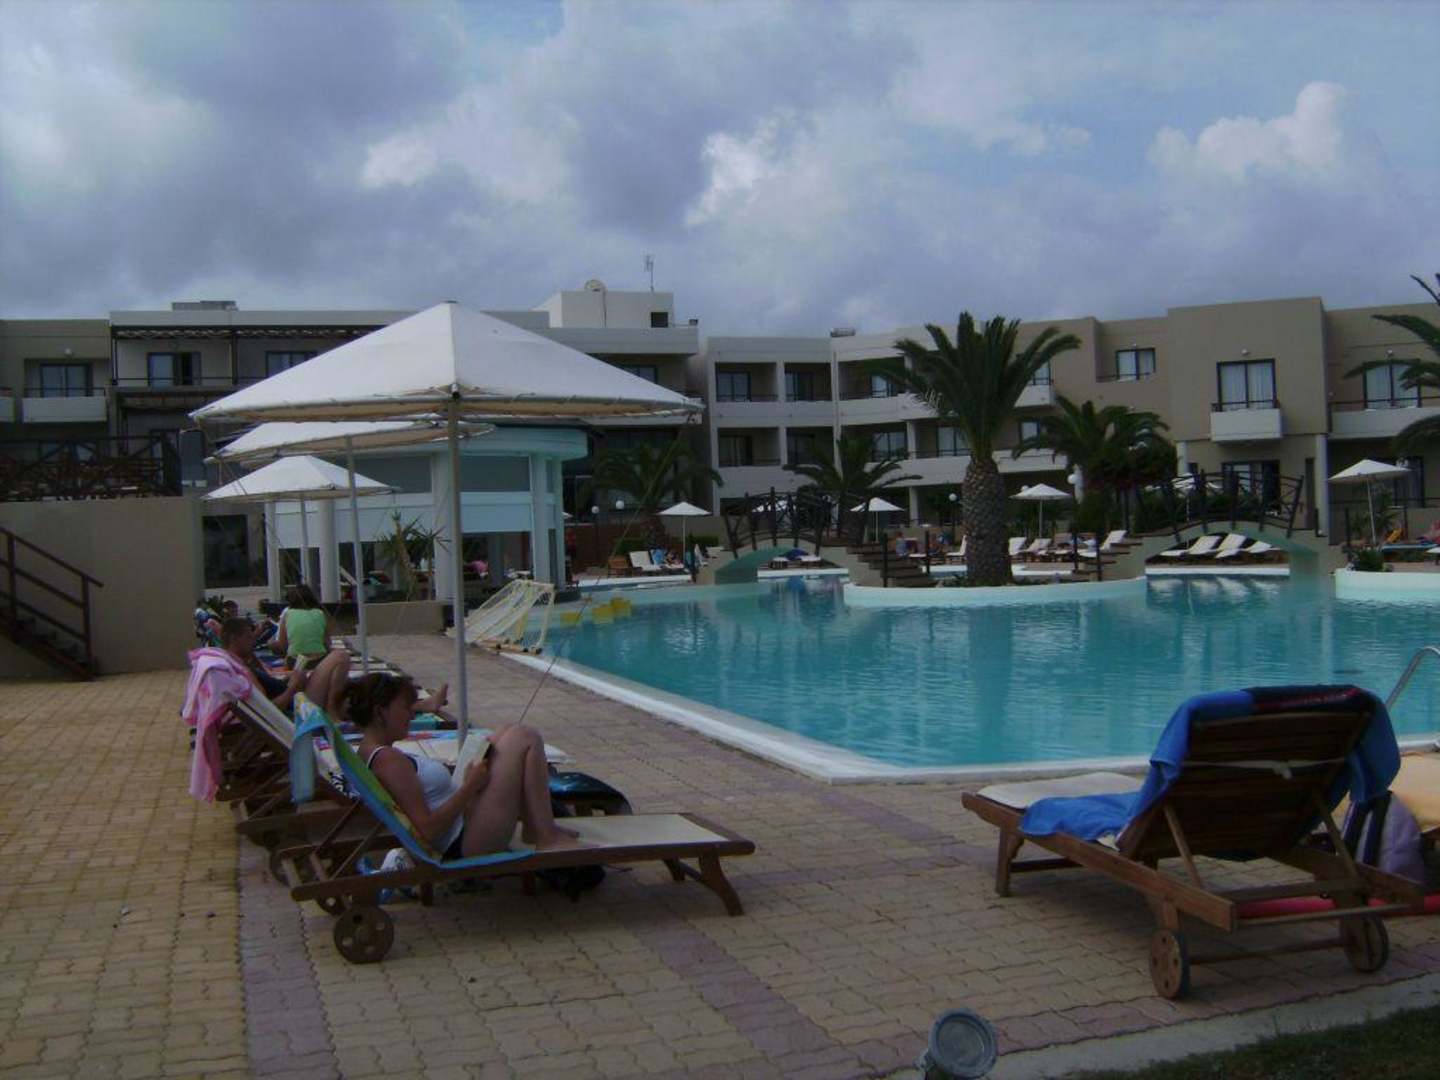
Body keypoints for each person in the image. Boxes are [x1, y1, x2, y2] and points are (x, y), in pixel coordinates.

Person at [347, 673, 582, 858]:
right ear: (380, 712)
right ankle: (546, 837)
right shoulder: (388, 761)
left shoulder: (368, 751)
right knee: (524, 737)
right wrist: (470, 787)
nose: (411, 715)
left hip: (463, 822)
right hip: (464, 840)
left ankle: (536, 827)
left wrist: (466, 782)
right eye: (405, 708)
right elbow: (427, 830)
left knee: (504, 732)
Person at [275, 584, 332, 666]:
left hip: (295, 661)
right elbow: (327, 642)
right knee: (340, 655)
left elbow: (282, 643)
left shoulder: (287, 614)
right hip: (319, 660)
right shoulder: (320, 613)